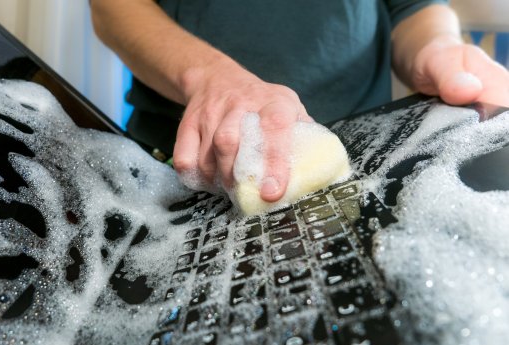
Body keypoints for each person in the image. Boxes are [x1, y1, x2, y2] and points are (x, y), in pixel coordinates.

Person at [90, 0, 509, 203]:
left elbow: (414, 7)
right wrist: (209, 77)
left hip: (361, 165)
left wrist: (439, 50)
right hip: (179, 175)